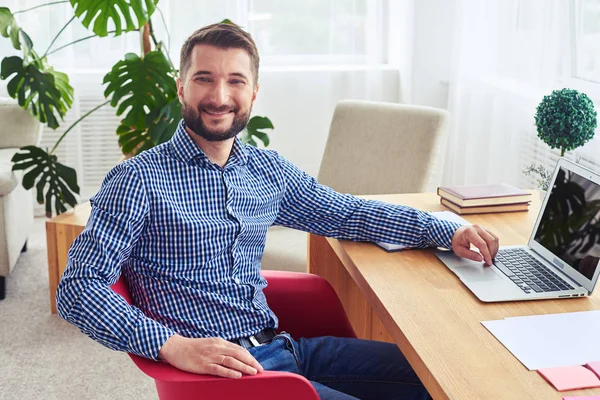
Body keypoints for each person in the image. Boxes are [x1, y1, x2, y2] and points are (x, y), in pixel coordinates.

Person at [56, 23, 500, 400]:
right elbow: (78, 289)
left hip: (286, 347)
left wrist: (447, 231)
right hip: (224, 376)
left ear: (254, 91)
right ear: (181, 85)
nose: (220, 95)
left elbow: (346, 213)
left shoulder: (264, 169)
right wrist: (172, 345)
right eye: (204, 78)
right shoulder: (137, 180)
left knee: (447, 380)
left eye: (235, 80)